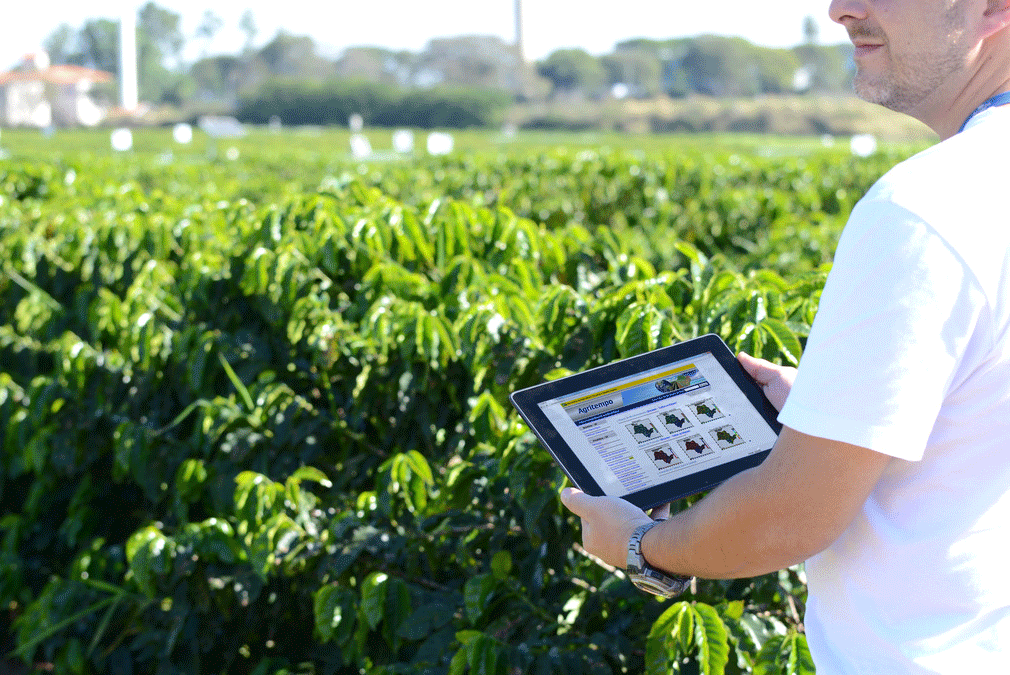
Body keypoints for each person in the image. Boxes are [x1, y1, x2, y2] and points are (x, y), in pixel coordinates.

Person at [559, 0, 1010, 671]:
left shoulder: (926, 208)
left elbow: (792, 515)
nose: (840, 9)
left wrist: (642, 545)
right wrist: (839, 418)